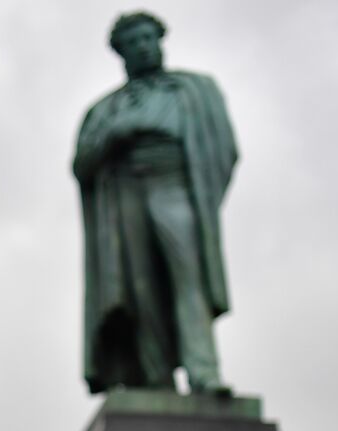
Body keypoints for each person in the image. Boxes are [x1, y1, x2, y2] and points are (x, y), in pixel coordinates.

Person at [73, 11, 238, 394]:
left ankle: (204, 373)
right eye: (135, 42)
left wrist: (203, 197)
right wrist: (114, 134)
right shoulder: (106, 110)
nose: (145, 47)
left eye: (150, 39)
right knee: (140, 289)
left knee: (188, 279)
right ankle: (155, 378)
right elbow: (82, 165)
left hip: (176, 185)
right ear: (122, 52)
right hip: (127, 192)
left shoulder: (195, 91)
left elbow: (224, 149)